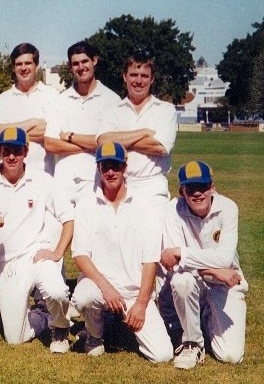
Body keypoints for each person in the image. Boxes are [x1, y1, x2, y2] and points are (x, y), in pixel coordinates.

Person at [71, 142, 173, 363]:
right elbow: (80, 255)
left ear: (125, 168)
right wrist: (106, 289)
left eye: (115, 166)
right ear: (98, 168)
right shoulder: (86, 204)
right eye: (105, 166)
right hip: (100, 287)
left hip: (133, 293)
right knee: (84, 297)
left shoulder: (144, 206)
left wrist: (141, 304)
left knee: (162, 355)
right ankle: (95, 336)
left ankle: (115, 321)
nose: (110, 172)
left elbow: (150, 261)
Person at [0, 127, 72, 353]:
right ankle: (42, 315)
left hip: (36, 255)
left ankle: (60, 327)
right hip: (6, 263)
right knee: (15, 338)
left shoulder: (42, 180)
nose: (11, 156)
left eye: (17, 151)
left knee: (57, 290)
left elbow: (68, 217)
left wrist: (57, 252)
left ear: (26, 152)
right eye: (6, 150)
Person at [160, 161, 248, 369]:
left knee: (230, 356)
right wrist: (216, 271)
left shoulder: (228, 207)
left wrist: (182, 253)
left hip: (225, 284)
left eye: (203, 187)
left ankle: (205, 316)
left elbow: (225, 258)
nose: (197, 193)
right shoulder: (172, 210)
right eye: (190, 188)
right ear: (182, 191)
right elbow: (173, 265)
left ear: (212, 188)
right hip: (204, 278)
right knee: (181, 281)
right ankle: (193, 343)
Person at [44, 41, 120, 208]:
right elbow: (50, 144)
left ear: (94, 60)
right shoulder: (60, 100)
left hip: (95, 181)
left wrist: (70, 137)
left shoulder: (112, 100)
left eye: (84, 61)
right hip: (63, 181)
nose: (81, 67)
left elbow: (110, 144)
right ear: (71, 67)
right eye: (75, 64)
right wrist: (90, 145)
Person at [96, 49, 177, 206]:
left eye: (144, 76)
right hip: (118, 186)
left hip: (152, 186)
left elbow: (160, 147)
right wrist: (143, 132)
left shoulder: (165, 109)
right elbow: (103, 142)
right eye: (133, 75)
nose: (138, 81)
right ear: (125, 76)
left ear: (152, 79)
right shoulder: (111, 110)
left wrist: (118, 139)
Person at [0, 43, 58, 175]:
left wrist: (9, 133)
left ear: (36, 66)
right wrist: (33, 122)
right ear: (13, 68)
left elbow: (54, 134)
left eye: (28, 63)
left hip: (43, 175)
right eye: (19, 64)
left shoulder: (52, 95)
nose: (23, 68)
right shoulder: (2, 100)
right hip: (8, 178)